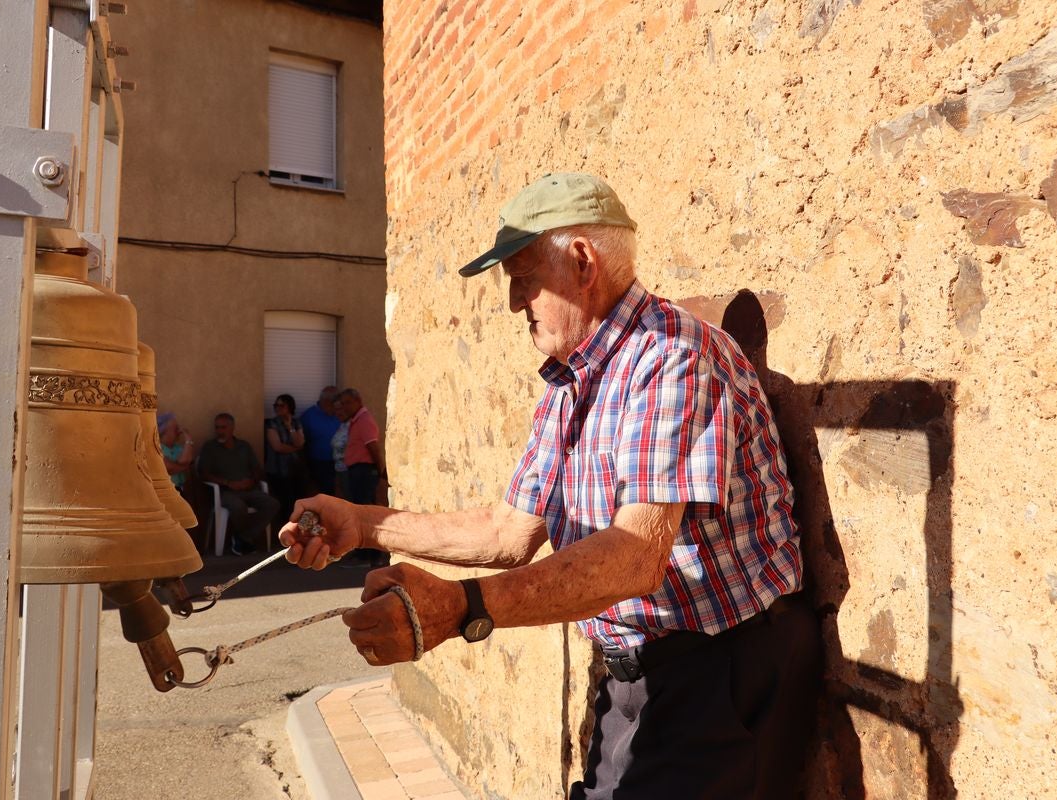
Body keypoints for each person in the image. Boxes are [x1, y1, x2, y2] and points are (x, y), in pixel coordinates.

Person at [280, 173, 822, 798]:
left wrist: (461, 608)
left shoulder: (671, 358)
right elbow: (508, 533)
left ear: (583, 262)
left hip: (722, 670)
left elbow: (636, 557)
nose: (515, 302)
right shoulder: (575, 382)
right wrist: (364, 523)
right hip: (642, 676)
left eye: (522, 276)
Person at [198, 412, 279, 554]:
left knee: (272, 504)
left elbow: (257, 469)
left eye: (223, 428)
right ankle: (244, 540)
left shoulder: (244, 446)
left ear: (232, 428)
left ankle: (243, 537)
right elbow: (204, 474)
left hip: (249, 489)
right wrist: (228, 483)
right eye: (217, 428)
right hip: (226, 492)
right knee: (238, 507)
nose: (220, 432)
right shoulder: (210, 448)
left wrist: (252, 481)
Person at [335, 387, 390, 567]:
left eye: (348, 403)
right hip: (357, 470)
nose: (345, 407)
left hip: (364, 471)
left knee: (365, 513)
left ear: (358, 401)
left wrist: (381, 473)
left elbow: (373, 447)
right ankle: (368, 555)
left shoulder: (364, 420)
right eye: (342, 403)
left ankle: (368, 556)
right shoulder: (355, 421)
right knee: (362, 511)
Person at [264, 393, 306, 527]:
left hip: (295, 469)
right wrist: (295, 448)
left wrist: (290, 428)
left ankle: (299, 530)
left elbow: (300, 442)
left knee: (298, 500)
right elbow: (277, 446)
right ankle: (286, 531)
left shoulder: (296, 422)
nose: (278, 408)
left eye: (281, 405)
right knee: (285, 501)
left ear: (289, 407)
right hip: (278, 470)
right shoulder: (271, 423)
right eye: (276, 405)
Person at [299, 386, 342, 495]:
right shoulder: (308, 416)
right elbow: (301, 443)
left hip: (341, 462)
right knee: (325, 492)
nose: (339, 405)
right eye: (336, 402)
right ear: (326, 401)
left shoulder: (340, 414)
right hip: (318, 463)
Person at [157, 411, 194, 493]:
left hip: (181, 489)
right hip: (166, 492)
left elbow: (185, 460)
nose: (179, 431)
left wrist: (188, 439)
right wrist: (184, 467)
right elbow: (170, 469)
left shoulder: (178, 448)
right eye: (176, 428)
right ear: (164, 431)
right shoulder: (157, 448)